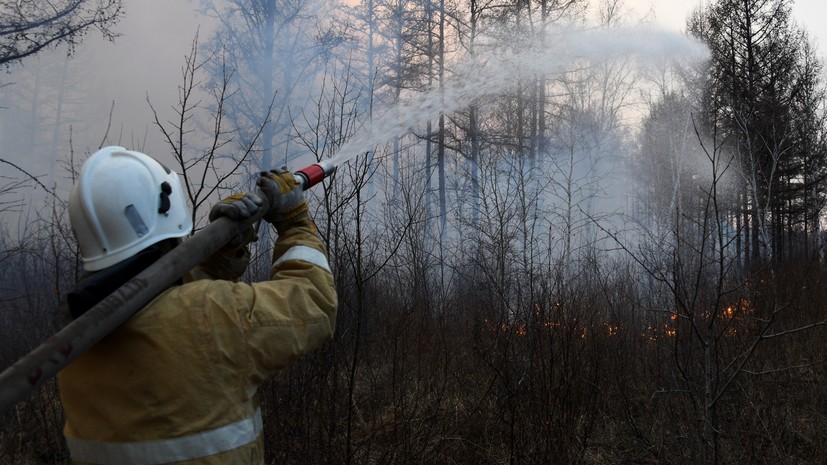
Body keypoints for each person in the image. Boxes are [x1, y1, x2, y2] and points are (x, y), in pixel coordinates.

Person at [56, 146, 338, 465]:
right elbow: (314, 303)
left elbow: (169, 312)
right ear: (169, 207)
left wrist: (221, 253)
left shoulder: (74, 340)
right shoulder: (208, 313)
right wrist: (296, 223)